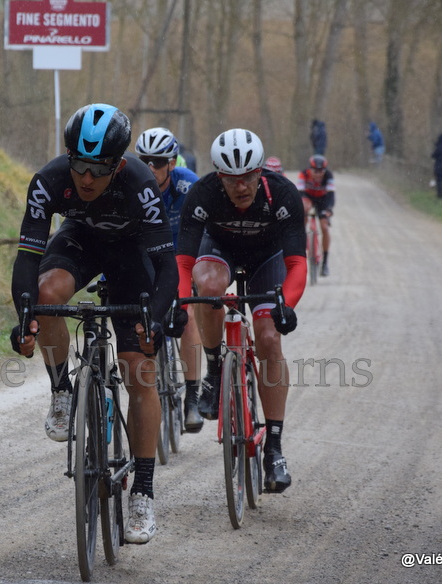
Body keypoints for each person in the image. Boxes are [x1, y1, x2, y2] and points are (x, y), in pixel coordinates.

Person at [10, 103, 178, 544]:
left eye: (98, 169)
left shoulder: (140, 183)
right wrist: (25, 320)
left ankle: (142, 491)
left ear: (118, 164)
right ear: (69, 156)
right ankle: (62, 391)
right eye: (79, 165)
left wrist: (155, 321)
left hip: (130, 254)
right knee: (46, 296)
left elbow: (167, 268)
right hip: (80, 242)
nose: (86, 178)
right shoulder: (49, 180)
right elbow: (28, 258)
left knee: (139, 369)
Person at [176, 128, 306, 493]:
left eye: (249, 176)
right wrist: (179, 303)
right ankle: (216, 368)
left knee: (268, 339)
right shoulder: (202, 194)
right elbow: (184, 263)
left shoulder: (281, 194)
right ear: (219, 176)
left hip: (269, 258)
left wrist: (286, 306)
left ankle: (275, 448)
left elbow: (297, 264)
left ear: (261, 171)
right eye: (232, 179)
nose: (242, 186)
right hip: (220, 252)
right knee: (210, 288)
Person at [135, 126, 203, 433]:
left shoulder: (188, 186)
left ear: (172, 164)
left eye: (157, 161)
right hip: (149, 257)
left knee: (186, 317)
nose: (150, 167)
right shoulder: (133, 185)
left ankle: (192, 395)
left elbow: (207, 228)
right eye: (144, 159)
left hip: (183, 255)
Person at [296, 154, 336, 276]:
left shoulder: (329, 176)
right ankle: (301, 235)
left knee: (324, 227)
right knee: (303, 208)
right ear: (310, 169)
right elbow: (300, 194)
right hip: (308, 197)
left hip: (323, 200)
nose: (318, 174)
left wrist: (328, 210)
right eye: (315, 171)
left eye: (321, 171)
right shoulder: (303, 174)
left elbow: (331, 196)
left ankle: (325, 263)